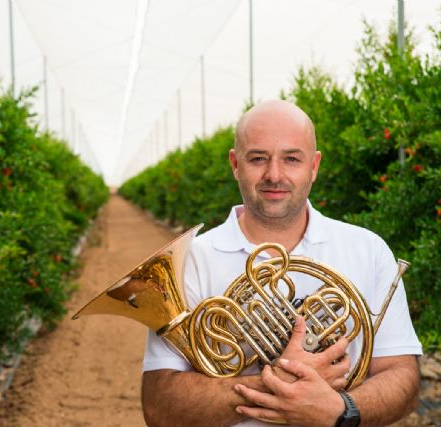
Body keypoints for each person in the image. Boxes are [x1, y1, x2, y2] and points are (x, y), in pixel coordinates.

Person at [141, 100, 422, 427]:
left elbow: (403, 376)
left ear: (314, 166)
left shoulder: (368, 250)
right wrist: (278, 379)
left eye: (291, 159)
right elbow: (160, 407)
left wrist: (338, 409)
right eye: (258, 158)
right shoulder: (189, 262)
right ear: (235, 164)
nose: (274, 174)